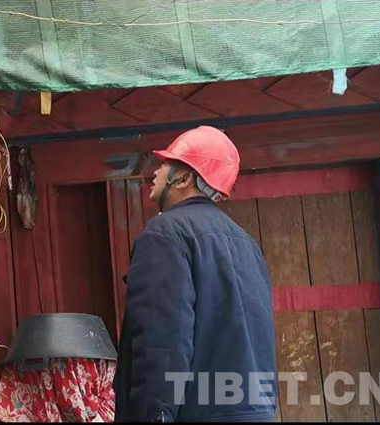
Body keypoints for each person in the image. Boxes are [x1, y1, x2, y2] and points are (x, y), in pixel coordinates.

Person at [113, 126, 277, 422]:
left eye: (165, 164)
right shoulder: (247, 243)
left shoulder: (165, 234)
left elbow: (162, 341)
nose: (155, 173)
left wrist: (155, 416)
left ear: (184, 179)